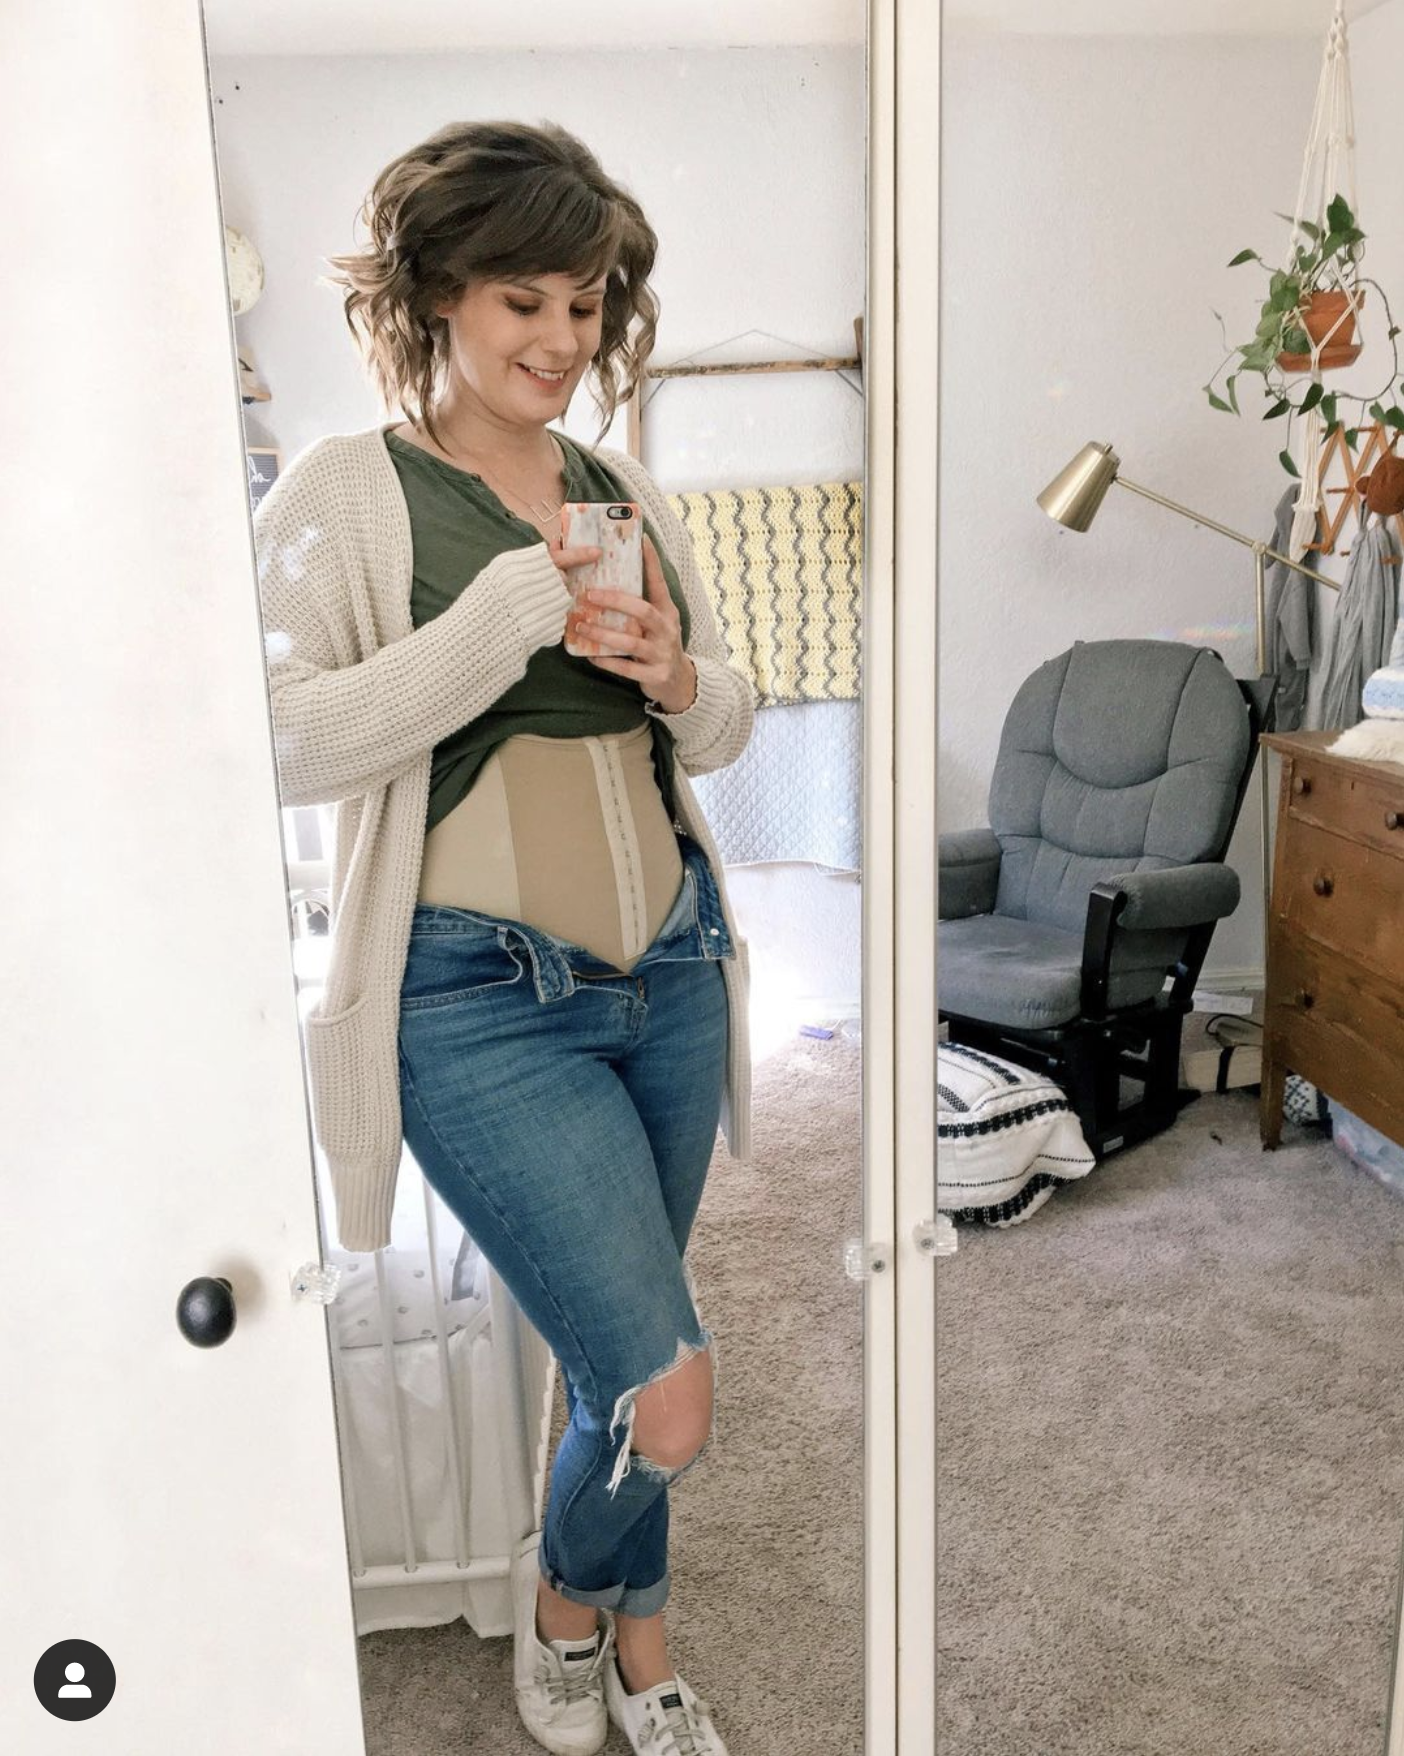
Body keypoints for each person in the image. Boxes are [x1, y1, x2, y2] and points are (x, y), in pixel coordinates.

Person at [252, 120, 755, 1756]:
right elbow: (275, 742)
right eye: (522, 300)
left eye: (587, 302)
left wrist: (677, 673)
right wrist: (497, 622)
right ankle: (573, 1608)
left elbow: (729, 722)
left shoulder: (626, 490)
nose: (561, 341)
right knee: (669, 1392)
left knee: (633, 1345)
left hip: (667, 971)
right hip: (477, 1005)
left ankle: (641, 1640)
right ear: (440, 301)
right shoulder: (352, 490)